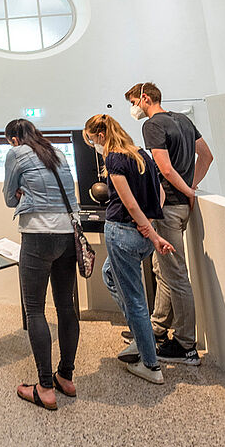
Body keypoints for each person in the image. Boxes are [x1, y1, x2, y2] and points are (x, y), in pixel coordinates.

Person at [126, 81, 213, 365]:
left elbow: (164, 168)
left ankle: (186, 346)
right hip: (180, 208)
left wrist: (187, 191)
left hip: (169, 206)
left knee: (175, 274)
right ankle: (158, 327)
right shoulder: (185, 121)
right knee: (161, 268)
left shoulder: (152, 125)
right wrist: (192, 184)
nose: (133, 108)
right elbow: (207, 156)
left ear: (145, 98)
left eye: (133, 102)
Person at [83, 114, 174, 385]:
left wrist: (151, 233)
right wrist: (151, 228)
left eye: (92, 141)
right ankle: (141, 334)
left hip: (124, 233)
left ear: (100, 137)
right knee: (109, 274)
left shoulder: (114, 159)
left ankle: (151, 364)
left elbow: (130, 204)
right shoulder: (141, 154)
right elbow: (161, 194)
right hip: (140, 236)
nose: (94, 146)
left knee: (135, 299)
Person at [3, 118, 80, 411]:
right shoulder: (58, 153)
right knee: (66, 306)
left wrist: (21, 193)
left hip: (37, 235)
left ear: (12, 139)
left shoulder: (16, 153)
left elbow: (10, 198)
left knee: (35, 309)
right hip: (67, 235)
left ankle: (45, 387)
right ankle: (66, 376)